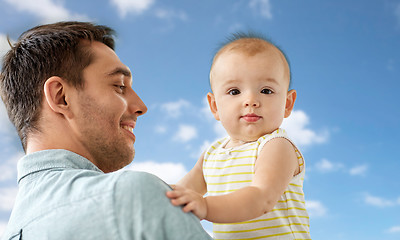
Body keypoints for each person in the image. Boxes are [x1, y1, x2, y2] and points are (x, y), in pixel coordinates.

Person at [0, 21, 212, 240]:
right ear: (60, 96)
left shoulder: (15, 232)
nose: (141, 106)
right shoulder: (135, 197)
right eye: (120, 86)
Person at [166, 32, 311, 239]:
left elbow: (261, 198)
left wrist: (205, 206)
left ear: (287, 103)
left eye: (266, 91)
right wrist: (150, 195)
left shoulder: (277, 146)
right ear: (215, 106)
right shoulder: (212, 154)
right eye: (234, 91)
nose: (251, 100)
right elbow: (178, 192)